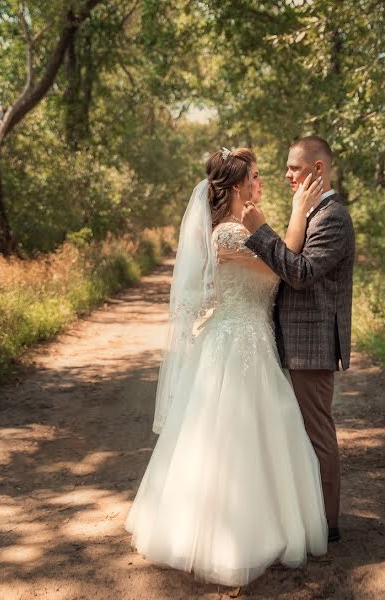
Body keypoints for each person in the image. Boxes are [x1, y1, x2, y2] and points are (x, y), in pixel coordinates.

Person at [125, 147, 328, 587]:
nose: (262, 182)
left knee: (264, 431)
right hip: (234, 342)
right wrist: (299, 209)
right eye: (255, 176)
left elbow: (278, 259)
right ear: (238, 186)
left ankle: (264, 521)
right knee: (230, 436)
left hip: (255, 339)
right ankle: (228, 538)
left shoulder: (245, 229)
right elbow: (287, 256)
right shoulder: (227, 236)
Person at [241, 136, 355, 543]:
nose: (287, 174)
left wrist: (259, 231)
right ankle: (303, 518)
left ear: (318, 170)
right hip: (288, 341)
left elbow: (301, 273)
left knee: (316, 432)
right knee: (294, 432)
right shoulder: (311, 211)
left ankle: (328, 524)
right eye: (287, 168)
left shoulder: (332, 217)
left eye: (295, 167)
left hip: (313, 344)